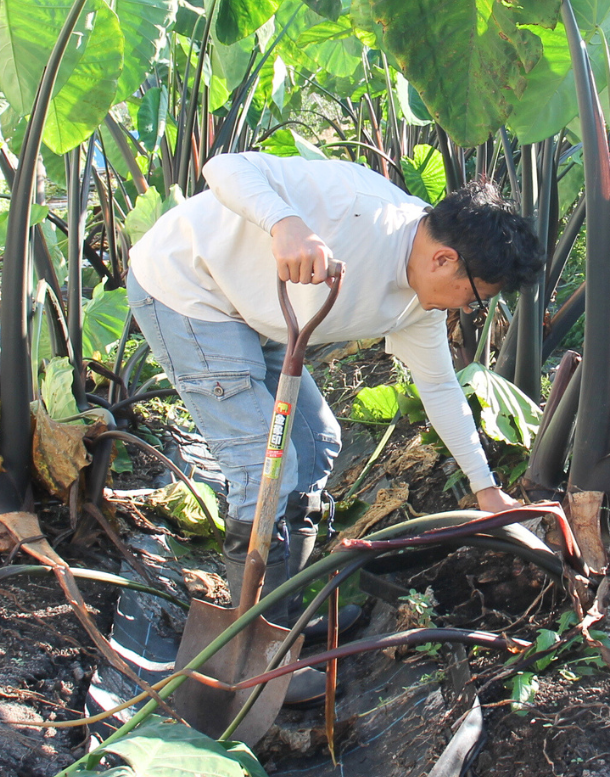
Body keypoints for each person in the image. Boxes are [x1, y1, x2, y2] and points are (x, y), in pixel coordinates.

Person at [126, 151, 543, 702]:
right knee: (262, 468)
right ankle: (249, 649)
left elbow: (440, 389)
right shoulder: (353, 203)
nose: (468, 309)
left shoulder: (419, 304)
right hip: (188, 290)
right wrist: (286, 223)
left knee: (317, 443)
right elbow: (224, 167)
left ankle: (285, 616)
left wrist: (487, 491)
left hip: (262, 313)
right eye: (475, 296)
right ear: (444, 260)